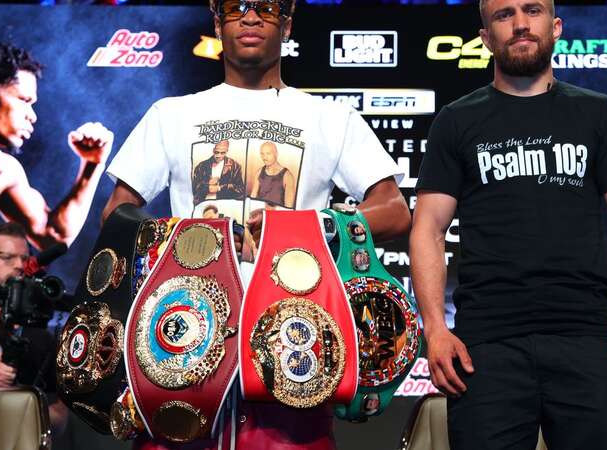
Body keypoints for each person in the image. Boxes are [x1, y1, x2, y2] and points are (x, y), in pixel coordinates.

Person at [102, 0, 410, 448]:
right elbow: (118, 213)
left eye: (266, 8)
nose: (250, 17)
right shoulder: (171, 115)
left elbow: (394, 209)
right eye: (237, 7)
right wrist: (178, 241)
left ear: (286, 24)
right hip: (184, 333)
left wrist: (306, 227)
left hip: (293, 336)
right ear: (217, 21)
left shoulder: (330, 118)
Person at [409, 1, 607, 449]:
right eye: (504, 15)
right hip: (487, 344)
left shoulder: (596, 113)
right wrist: (435, 328)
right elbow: (427, 229)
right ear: (485, 37)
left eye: (533, 10)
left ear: (555, 26)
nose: (521, 23)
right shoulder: (457, 119)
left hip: (587, 337)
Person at [0, 43, 114, 249]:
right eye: (24, 100)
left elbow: (53, 236)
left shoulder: (0, 169)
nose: (32, 116)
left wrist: (92, 165)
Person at [0, 223, 68, 434]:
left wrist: (23, 406)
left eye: (25, 259)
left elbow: (60, 420)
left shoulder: (40, 335)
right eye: (7, 257)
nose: (19, 265)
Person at [192, 139, 245, 205]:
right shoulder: (201, 166)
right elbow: (194, 188)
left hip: (225, 203)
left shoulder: (235, 166)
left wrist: (219, 188)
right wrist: (208, 185)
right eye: (217, 152)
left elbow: (240, 189)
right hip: (203, 203)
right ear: (213, 150)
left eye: (222, 153)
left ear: (227, 151)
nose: (219, 156)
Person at [250, 140, 296, 208]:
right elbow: (252, 200)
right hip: (260, 214)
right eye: (262, 154)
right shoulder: (259, 172)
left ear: (276, 154)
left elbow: (288, 209)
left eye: (268, 153)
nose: (264, 157)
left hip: (278, 216)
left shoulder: (287, 176)